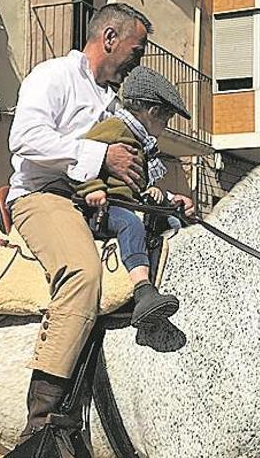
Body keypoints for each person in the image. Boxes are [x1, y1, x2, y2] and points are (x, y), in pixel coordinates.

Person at [6, 3, 189, 441]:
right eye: (137, 49)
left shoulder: (112, 102)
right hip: (43, 196)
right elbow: (24, 139)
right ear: (109, 38)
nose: (139, 60)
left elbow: (125, 180)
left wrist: (164, 203)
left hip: (97, 205)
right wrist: (100, 154)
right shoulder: (52, 76)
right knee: (83, 274)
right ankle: (43, 419)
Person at [76, 65, 196, 332]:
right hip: (106, 210)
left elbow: (135, 185)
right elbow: (83, 157)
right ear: (153, 112)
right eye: (165, 120)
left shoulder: (139, 142)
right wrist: (94, 188)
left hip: (127, 203)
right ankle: (142, 288)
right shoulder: (114, 128)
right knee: (131, 224)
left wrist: (165, 198)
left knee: (168, 221)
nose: (165, 127)